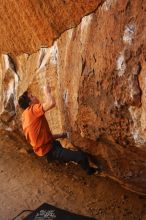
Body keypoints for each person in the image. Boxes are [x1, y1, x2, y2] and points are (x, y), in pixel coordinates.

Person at [18, 85, 99, 175]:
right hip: (50, 151)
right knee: (80, 156)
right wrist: (47, 91)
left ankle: (63, 159)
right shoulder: (32, 110)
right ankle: (91, 171)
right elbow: (51, 103)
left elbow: (42, 137)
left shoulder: (25, 115)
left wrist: (62, 135)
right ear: (30, 104)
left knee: (60, 147)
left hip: (47, 148)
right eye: (32, 96)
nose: (35, 96)